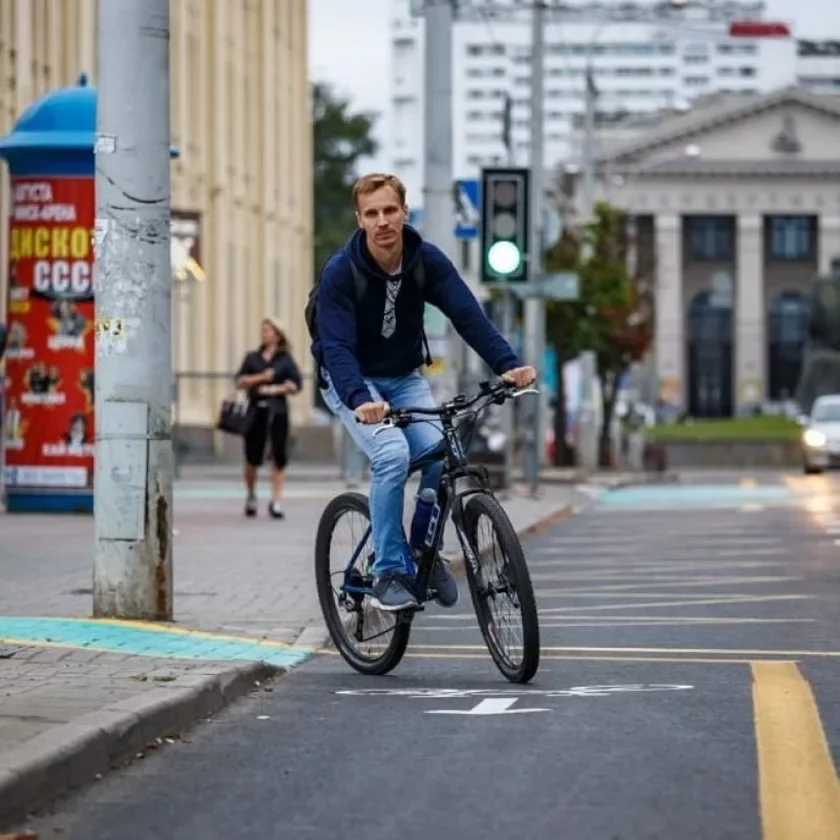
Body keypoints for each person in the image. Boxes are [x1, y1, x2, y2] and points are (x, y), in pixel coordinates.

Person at [310, 172, 536, 612]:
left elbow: (468, 316)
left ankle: (421, 553)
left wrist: (509, 366)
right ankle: (389, 570)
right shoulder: (341, 273)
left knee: (442, 455)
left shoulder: (425, 260)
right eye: (372, 213)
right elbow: (336, 349)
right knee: (392, 455)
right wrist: (361, 401)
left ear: (404, 213)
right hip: (352, 381)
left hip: (403, 376)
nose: (382, 222)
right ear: (360, 220)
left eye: (389, 211)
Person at [235, 317, 303, 519]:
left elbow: (297, 384)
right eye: (262, 330)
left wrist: (281, 388)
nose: (264, 334)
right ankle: (251, 495)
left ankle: (276, 501)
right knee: (252, 458)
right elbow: (239, 381)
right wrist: (261, 378)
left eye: (268, 330)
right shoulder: (252, 357)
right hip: (256, 411)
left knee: (278, 456)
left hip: (278, 412)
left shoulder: (285, 359)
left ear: (277, 334)